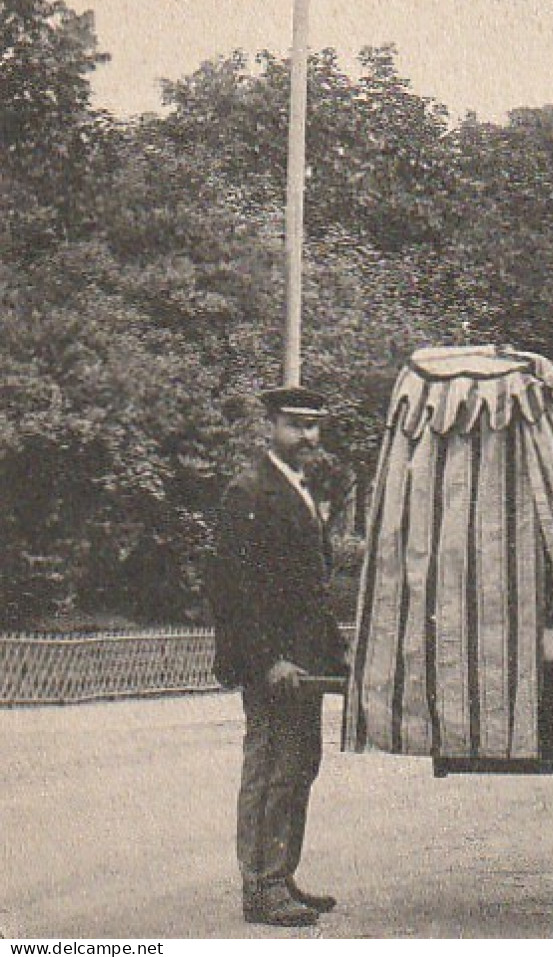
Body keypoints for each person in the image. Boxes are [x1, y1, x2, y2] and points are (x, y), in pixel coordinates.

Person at [208, 386, 349, 928]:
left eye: (314, 426)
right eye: (295, 425)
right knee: (270, 767)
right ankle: (261, 886)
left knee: (299, 765)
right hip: (276, 666)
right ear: (270, 426)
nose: (308, 437)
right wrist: (268, 660)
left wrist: (332, 656)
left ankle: (282, 874)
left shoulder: (300, 490)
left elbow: (309, 588)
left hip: (305, 663)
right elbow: (233, 588)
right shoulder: (249, 492)